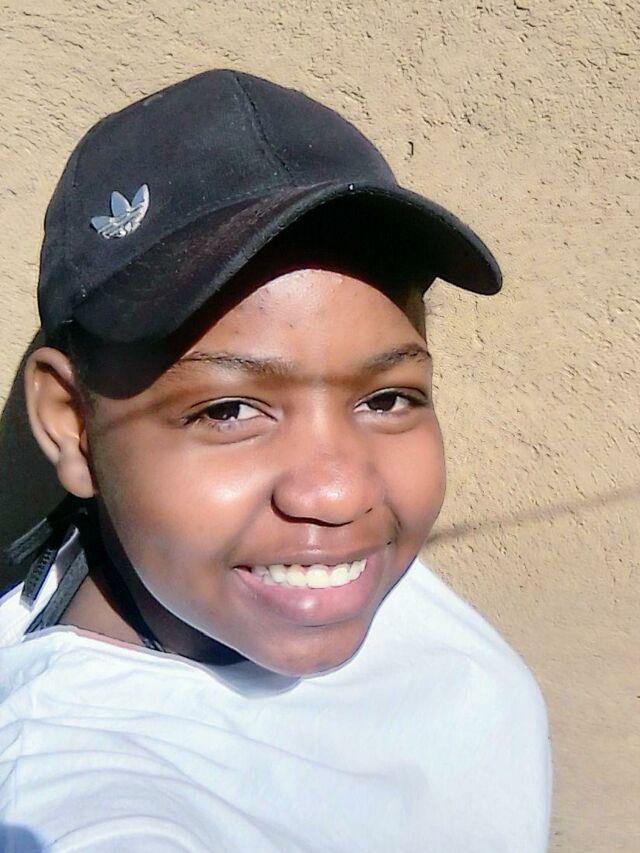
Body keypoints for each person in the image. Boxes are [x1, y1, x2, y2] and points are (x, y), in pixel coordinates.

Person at [0, 69, 551, 851]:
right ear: (72, 424)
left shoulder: (336, 583)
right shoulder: (63, 794)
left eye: (386, 398)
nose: (338, 493)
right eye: (228, 410)